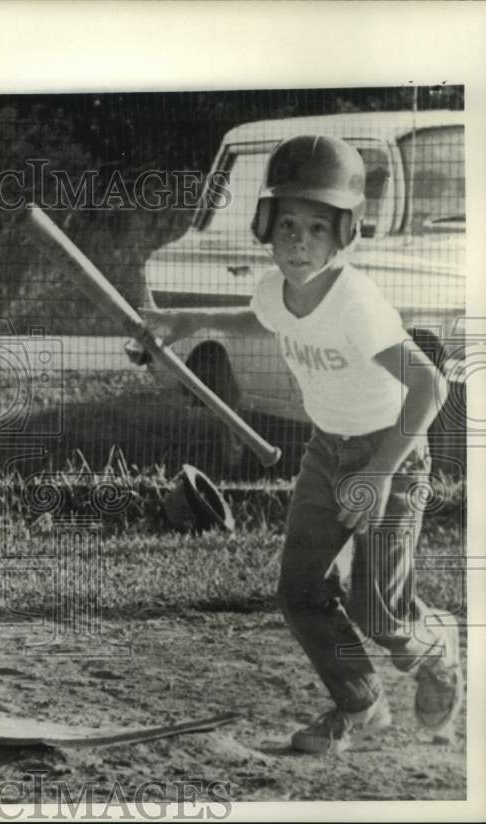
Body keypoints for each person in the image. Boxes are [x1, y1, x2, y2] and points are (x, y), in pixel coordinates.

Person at [133, 134, 462, 754]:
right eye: (287, 223)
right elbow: (267, 316)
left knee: (380, 613)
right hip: (326, 453)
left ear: (344, 233)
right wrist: (190, 321)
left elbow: (430, 385)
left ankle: (436, 646)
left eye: (317, 227)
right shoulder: (272, 287)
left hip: (390, 453)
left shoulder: (356, 305)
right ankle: (360, 704)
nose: (298, 240)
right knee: (301, 589)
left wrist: (382, 472)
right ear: (266, 224)